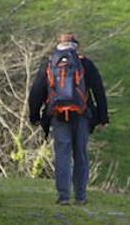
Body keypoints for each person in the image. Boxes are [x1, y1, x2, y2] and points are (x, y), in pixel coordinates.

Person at [28, 32, 109, 206]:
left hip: (58, 116)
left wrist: (34, 116)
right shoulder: (85, 64)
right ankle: (80, 196)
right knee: (80, 154)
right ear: (75, 45)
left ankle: (64, 196)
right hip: (82, 115)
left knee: (62, 155)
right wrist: (103, 117)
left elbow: (36, 92)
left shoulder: (50, 63)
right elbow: (98, 90)